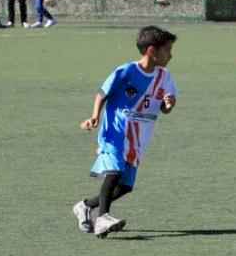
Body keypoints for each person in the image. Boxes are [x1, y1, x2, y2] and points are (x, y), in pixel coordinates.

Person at [74, 26, 178, 238]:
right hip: (116, 131)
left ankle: (85, 206)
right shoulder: (126, 71)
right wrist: (94, 117)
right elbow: (102, 94)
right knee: (114, 172)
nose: (171, 55)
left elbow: (165, 108)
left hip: (139, 136)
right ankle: (103, 218)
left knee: (126, 186)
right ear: (152, 51)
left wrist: (169, 104)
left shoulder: (165, 77)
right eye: (167, 50)